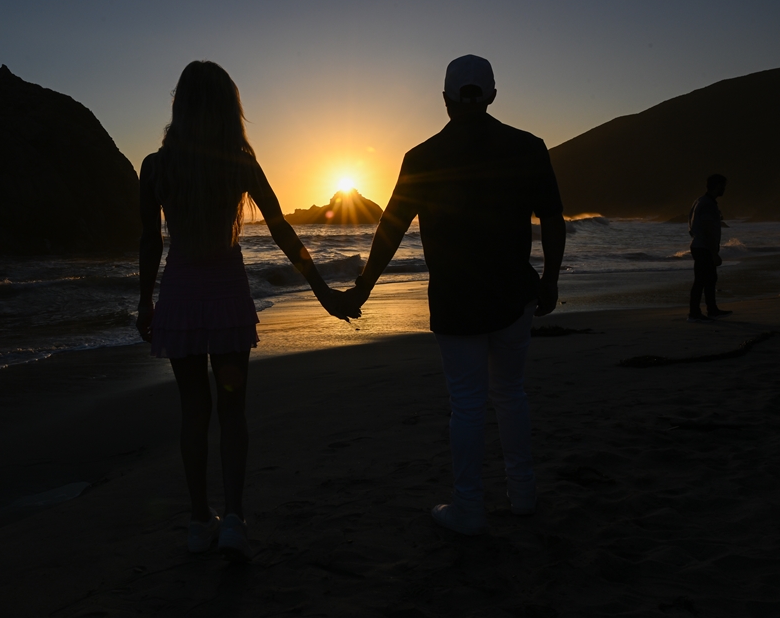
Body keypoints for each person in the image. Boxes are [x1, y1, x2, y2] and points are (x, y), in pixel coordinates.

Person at [137, 61, 352, 561]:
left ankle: (197, 521)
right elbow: (280, 230)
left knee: (194, 413)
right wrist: (321, 289)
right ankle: (233, 518)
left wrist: (144, 299)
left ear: (180, 105)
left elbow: (149, 241)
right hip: (229, 295)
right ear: (229, 108)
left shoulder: (155, 166)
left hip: (182, 296)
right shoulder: (239, 163)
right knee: (232, 412)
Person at [342, 55, 566, 535]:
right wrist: (549, 279)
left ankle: (469, 508)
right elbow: (552, 218)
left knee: (467, 403)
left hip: (456, 299)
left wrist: (362, 288)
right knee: (511, 394)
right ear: (491, 97)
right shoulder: (528, 147)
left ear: (445, 100)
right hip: (514, 294)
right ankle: (523, 494)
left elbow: (390, 230)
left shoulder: (423, 157)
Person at [687, 174, 731, 322]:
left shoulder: (700, 201)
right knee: (703, 280)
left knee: (708, 279)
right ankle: (696, 313)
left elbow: (692, 227)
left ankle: (710, 310)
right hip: (704, 247)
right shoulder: (708, 204)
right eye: (723, 186)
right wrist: (714, 253)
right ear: (717, 186)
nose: (724, 189)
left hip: (698, 245)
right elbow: (707, 229)